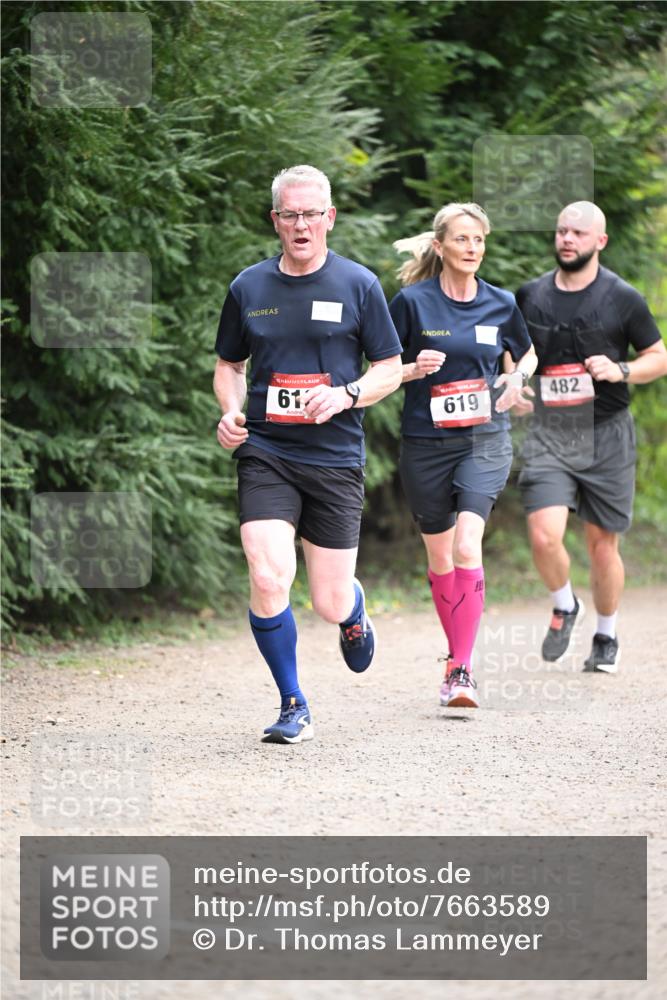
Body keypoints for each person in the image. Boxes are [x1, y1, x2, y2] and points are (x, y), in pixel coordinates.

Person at [214, 164, 402, 744]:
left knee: (326, 600)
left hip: (334, 456)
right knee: (268, 573)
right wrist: (230, 410)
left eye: (311, 213)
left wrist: (345, 394)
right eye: (290, 214)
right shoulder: (249, 287)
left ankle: (351, 610)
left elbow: (390, 369)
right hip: (267, 447)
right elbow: (229, 366)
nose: (301, 224)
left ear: (330, 218)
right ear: (275, 220)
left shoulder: (358, 285)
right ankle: (293, 701)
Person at [390, 203, 536, 708]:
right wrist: (411, 369)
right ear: (440, 246)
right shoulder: (410, 303)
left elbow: (527, 350)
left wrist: (516, 376)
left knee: (467, 546)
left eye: (479, 240)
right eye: (462, 240)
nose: (472, 249)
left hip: (484, 438)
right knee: (439, 556)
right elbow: (381, 365)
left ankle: (461, 670)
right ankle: (456, 658)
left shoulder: (501, 302)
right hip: (426, 443)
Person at [515, 201, 666, 673]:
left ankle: (606, 634)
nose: (566, 239)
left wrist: (621, 369)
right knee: (543, 535)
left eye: (578, 233)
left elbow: (658, 357)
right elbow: (514, 354)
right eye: (561, 230)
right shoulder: (531, 294)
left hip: (607, 434)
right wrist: (515, 384)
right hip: (551, 432)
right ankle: (565, 604)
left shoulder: (622, 297)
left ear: (599, 241)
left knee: (602, 543)